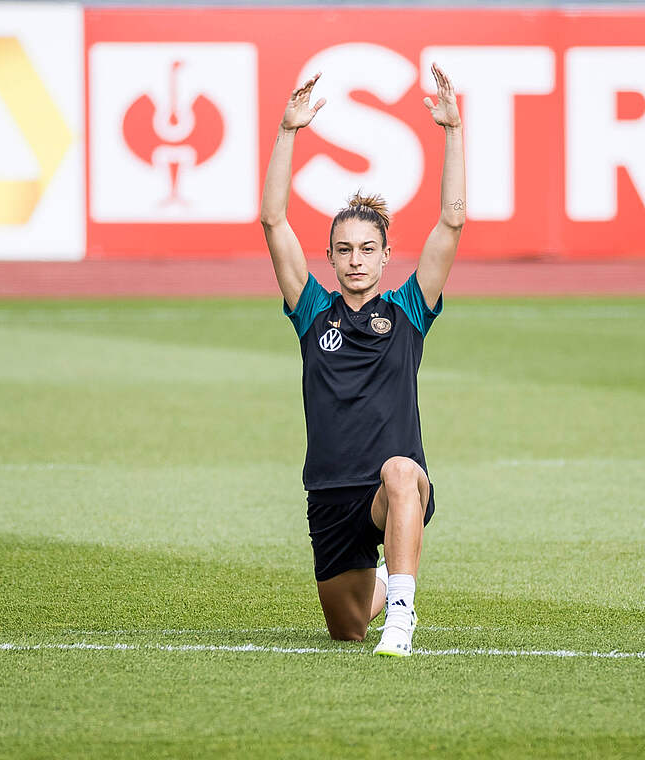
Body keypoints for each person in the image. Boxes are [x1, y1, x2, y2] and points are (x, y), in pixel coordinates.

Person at [258, 65, 465, 656]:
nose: (355, 260)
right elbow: (273, 221)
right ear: (328, 255)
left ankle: (402, 615)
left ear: (385, 255)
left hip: (385, 489)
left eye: (367, 249)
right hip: (329, 497)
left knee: (404, 471)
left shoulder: (408, 312)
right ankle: (381, 588)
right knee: (345, 630)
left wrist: (452, 130)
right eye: (344, 250)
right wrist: (287, 131)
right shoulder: (311, 312)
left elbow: (452, 221)